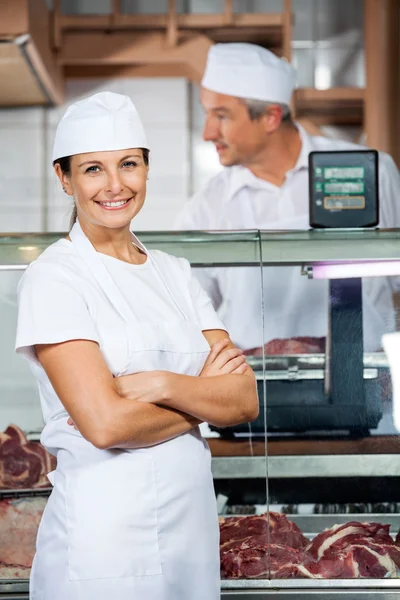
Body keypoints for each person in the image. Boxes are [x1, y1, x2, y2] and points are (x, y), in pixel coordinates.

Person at [15, 91, 258, 600]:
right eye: (92, 170)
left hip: (190, 537)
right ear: (65, 179)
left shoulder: (175, 273)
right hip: (102, 547)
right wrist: (200, 398)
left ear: (147, 169)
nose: (115, 185)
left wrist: (163, 385)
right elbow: (105, 425)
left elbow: (244, 400)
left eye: (128, 164)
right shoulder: (56, 277)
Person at [175, 43, 400, 353]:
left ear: (270, 117)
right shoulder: (206, 207)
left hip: (365, 381)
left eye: (222, 116)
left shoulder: (368, 172)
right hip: (254, 386)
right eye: (208, 114)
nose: (207, 132)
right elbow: (188, 319)